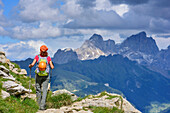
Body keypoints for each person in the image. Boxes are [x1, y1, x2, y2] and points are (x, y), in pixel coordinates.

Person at [29, 45, 54, 110]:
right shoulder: (48, 58)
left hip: (38, 75)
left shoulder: (37, 57)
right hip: (46, 75)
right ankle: (42, 106)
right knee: (44, 90)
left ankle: (38, 105)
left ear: (40, 50)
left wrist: (30, 66)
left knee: (38, 89)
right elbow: (52, 67)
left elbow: (32, 64)